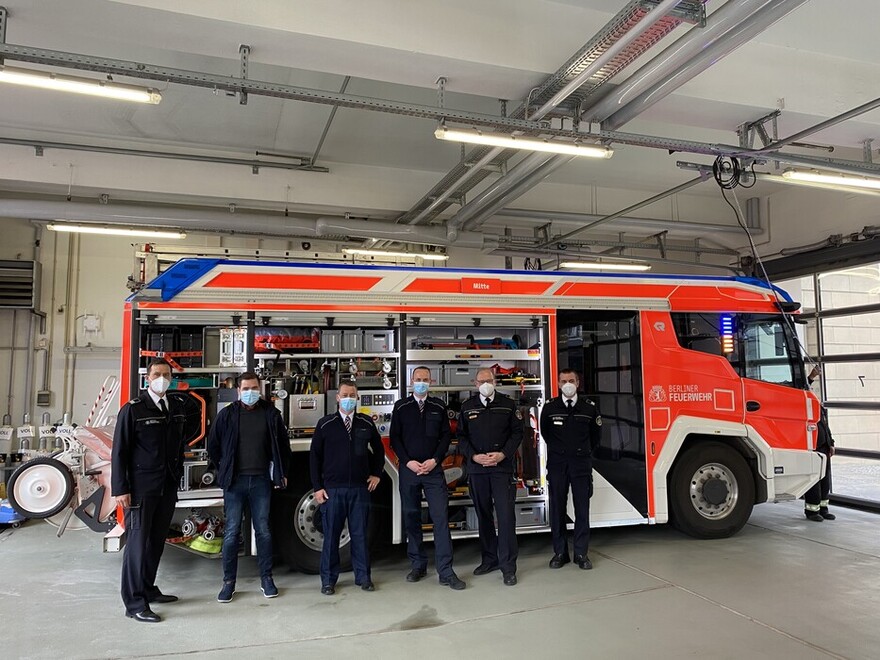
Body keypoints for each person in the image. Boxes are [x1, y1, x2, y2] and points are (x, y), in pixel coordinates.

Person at [111, 359, 186, 623]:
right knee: (137, 546)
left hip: (166, 486)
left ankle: (148, 588)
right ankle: (134, 603)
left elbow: (178, 447)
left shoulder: (174, 407)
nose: (162, 378)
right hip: (141, 489)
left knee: (155, 542)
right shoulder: (133, 410)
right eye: (157, 374)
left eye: (166, 374)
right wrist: (121, 488)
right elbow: (119, 451)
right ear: (147, 377)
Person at [207, 372, 292, 603]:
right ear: (238, 391)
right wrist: (224, 468)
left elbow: (283, 446)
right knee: (232, 532)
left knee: (263, 531)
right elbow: (213, 446)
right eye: (246, 389)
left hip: (262, 482)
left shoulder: (271, 414)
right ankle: (228, 583)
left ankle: (266, 578)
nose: (250, 393)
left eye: (254, 388)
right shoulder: (227, 415)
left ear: (261, 389)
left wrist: (281, 472)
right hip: (234, 483)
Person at [390, 366, 465, 591]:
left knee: (441, 518)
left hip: (433, 470)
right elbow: (395, 438)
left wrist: (435, 459)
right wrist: (408, 462)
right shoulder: (401, 407)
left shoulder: (438, 407)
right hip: (409, 470)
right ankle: (418, 565)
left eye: (425, 379)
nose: (421, 382)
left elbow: (445, 436)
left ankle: (446, 571)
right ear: (411, 381)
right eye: (418, 379)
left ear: (431, 381)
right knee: (412, 518)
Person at [310, 381, 385, 595]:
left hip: (360, 490)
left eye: (352, 394)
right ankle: (328, 581)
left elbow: (379, 451)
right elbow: (314, 458)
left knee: (360, 535)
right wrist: (317, 488)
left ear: (357, 397)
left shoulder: (365, 423)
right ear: (337, 397)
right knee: (332, 537)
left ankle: (363, 577)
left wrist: (377, 474)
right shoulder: (325, 424)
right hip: (333, 491)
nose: (349, 398)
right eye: (345, 394)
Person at [457, 368, 523, 586]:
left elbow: (517, 433)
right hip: (477, 470)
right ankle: (490, 559)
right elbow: (462, 438)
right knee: (483, 516)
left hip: (501, 469)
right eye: (482, 381)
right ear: (475, 384)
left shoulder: (507, 404)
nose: (486, 383)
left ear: (495, 382)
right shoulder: (467, 407)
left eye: (489, 380)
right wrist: (474, 457)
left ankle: (508, 567)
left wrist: (503, 454)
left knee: (505, 518)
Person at [539, 369, 602, 570]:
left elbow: (596, 437)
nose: (568, 384)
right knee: (557, 509)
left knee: (582, 510)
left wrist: (581, 453)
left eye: (571, 380)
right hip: (558, 465)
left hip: (581, 465)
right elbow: (545, 433)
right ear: (558, 384)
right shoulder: (549, 408)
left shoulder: (589, 408)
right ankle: (560, 553)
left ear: (578, 383)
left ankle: (581, 554)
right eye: (564, 381)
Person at [805, 366, 836, 522]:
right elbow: (802, 386)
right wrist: (811, 376)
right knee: (814, 480)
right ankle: (812, 510)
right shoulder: (805, 405)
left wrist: (831, 443)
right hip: (813, 446)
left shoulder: (818, 408)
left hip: (823, 446)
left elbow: (825, 426)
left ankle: (823, 508)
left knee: (825, 480)